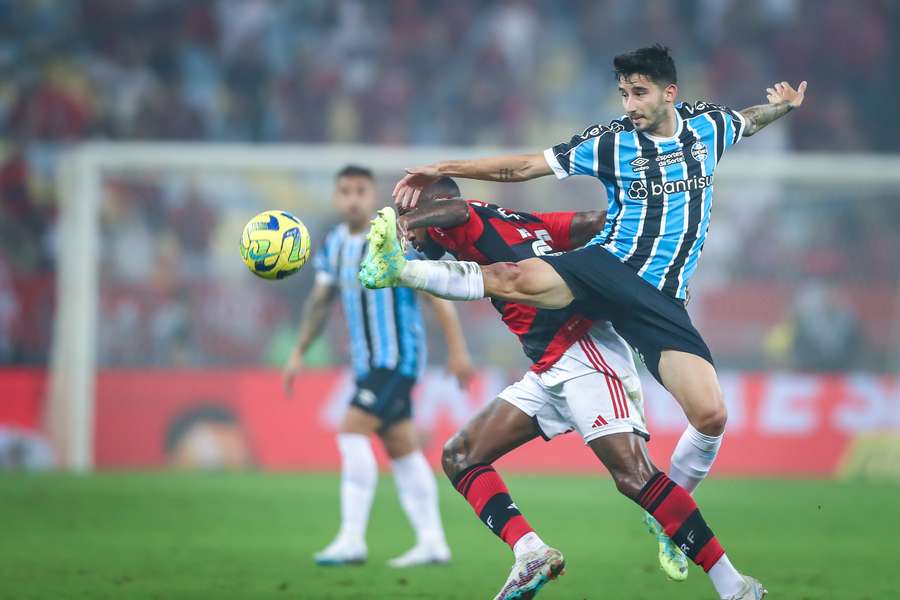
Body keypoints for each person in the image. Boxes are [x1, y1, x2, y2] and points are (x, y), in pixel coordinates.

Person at [362, 46, 803, 600]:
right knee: (463, 446)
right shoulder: (611, 141)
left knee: (709, 415)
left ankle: (677, 526)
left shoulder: (709, 128)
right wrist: (442, 170)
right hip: (608, 269)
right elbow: (520, 168)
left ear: (670, 93)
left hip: (652, 303)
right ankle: (543, 555)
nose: (629, 104)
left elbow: (746, 121)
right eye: (623, 93)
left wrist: (781, 108)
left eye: (639, 92)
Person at [378, 177, 765, 600]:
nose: (410, 235)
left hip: (584, 354)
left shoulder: (461, 221)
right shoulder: (526, 223)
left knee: (635, 476)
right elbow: (591, 221)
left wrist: (409, 219)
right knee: (461, 455)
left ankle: (734, 586)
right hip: (548, 368)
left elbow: (458, 210)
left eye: (411, 224)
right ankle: (531, 553)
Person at [283, 165, 474, 568]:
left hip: (397, 361)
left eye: (360, 191)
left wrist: (457, 351)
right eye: (345, 191)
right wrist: (300, 349)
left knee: (351, 430)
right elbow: (321, 302)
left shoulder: (390, 239)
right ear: (337, 198)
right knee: (402, 448)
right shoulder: (334, 244)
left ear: (371, 196)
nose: (353, 198)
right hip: (368, 363)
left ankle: (352, 539)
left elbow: (435, 294)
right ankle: (433, 542)